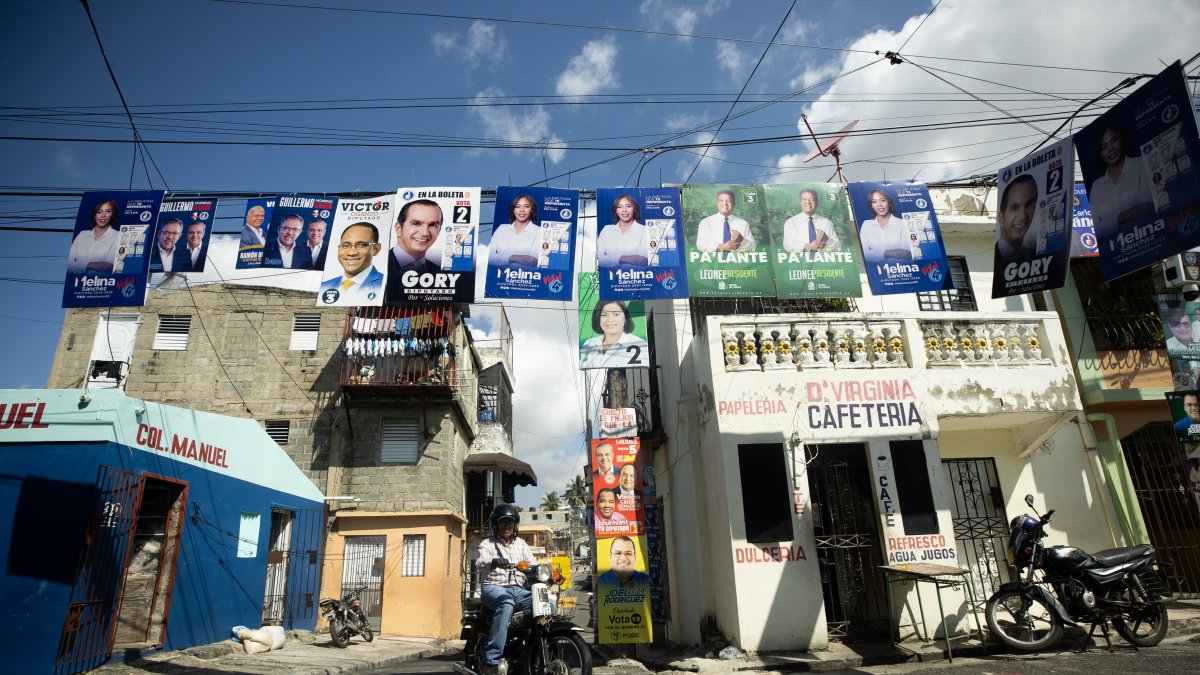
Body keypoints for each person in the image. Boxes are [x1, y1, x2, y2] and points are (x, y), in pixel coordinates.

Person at [475, 504, 537, 675]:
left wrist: (546, 572)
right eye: (502, 523)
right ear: (496, 526)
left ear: (515, 525)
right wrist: (493, 562)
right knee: (506, 603)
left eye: (510, 523)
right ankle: (491, 660)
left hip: (519, 589)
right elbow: (480, 563)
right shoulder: (487, 544)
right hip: (494, 588)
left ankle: (533, 648)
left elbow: (532, 565)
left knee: (545, 604)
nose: (507, 527)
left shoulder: (521, 544)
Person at [1088, 124, 1155, 241]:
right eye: (1104, 147)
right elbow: (1095, 231)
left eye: (1114, 140)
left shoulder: (1141, 164)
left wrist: (1109, 222)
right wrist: (1122, 217)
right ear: (1100, 154)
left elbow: (1148, 207)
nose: (1110, 149)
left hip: (1149, 240)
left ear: (1122, 140)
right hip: (1116, 252)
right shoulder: (1097, 186)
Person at [386, 199, 444, 301]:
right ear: (399, 229)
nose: (425, 232)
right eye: (416, 223)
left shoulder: (442, 274)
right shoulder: (380, 266)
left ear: (439, 230)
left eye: (432, 225)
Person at [319, 222, 385, 305]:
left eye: (361, 245)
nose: (352, 252)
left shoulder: (385, 285)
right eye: (346, 245)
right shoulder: (324, 286)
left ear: (376, 249)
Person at [580, 300, 649, 369]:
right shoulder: (589, 343)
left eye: (616, 314)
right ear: (598, 318)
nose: (610, 320)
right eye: (604, 315)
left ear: (625, 317)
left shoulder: (641, 345)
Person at [993, 175, 1039, 277]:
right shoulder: (993, 259)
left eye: (1029, 205)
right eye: (1014, 207)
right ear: (1001, 217)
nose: (1023, 216)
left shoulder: (1035, 257)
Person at [66, 199, 121, 275]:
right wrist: (91, 265)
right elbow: (69, 264)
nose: (103, 215)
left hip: (103, 284)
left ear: (113, 215)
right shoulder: (82, 235)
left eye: (108, 211)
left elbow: (108, 267)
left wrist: (79, 265)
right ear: (94, 215)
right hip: (75, 284)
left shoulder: (118, 236)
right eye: (99, 211)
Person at [857, 189, 910, 263]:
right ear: (871, 205)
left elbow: (906, 254)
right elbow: (864, 254)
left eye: (882, 200)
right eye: (874, 202)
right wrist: (888, 253)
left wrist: (874, 254)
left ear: (889, 202)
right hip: (875, 271)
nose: (879, 205)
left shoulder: (903, 224)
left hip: (899, 270)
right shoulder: (866, 225)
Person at [489, 194, 542, 268]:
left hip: (524, 277)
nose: (521, 210)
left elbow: (532, 262)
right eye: (517, 206)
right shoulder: (501, 229)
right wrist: (512, 258)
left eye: (526, 206)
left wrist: (500, 258)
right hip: (497, 276)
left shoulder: (539, 231)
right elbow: (489, 256)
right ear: (513, 210)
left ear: (532, 210)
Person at [597, 194, 650, 266]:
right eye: (620, 207)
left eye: (628, 206)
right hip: (608, 276)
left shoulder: (645, 230)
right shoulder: (606, 230)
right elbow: (600, 259)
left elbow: (642, 261)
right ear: (616, 210)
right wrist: (624, 258)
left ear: (634, 209)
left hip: (636, 276)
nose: (624, 210)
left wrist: (610, 259)